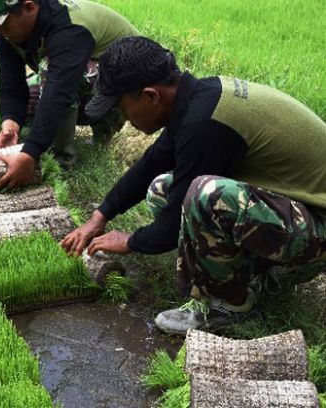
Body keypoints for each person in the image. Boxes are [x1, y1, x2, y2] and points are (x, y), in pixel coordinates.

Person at [60, 36, 326, 335]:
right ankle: (255, 271)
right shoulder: (198, 98)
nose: (125, 119)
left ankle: (229, 304)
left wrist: (131, 241)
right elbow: (150, 164)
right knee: (162, 187)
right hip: (296, 206)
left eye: (123, 108)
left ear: (150, 96)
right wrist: (100, 216)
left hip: (318, 224)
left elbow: (172, 225)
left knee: (206, 196)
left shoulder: (205, 124)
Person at [0, 0, 139, 192]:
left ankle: (64, 159)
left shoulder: (69, 29)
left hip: (129, 85)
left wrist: (31, 153)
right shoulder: (8, 34)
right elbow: (11, 86)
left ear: (29, 7)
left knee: (50, 74)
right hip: (80, 74)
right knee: (34, 92)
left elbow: (59, 91)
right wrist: (10, 124)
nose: (0, 30)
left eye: (3, 22)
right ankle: (52, 139)